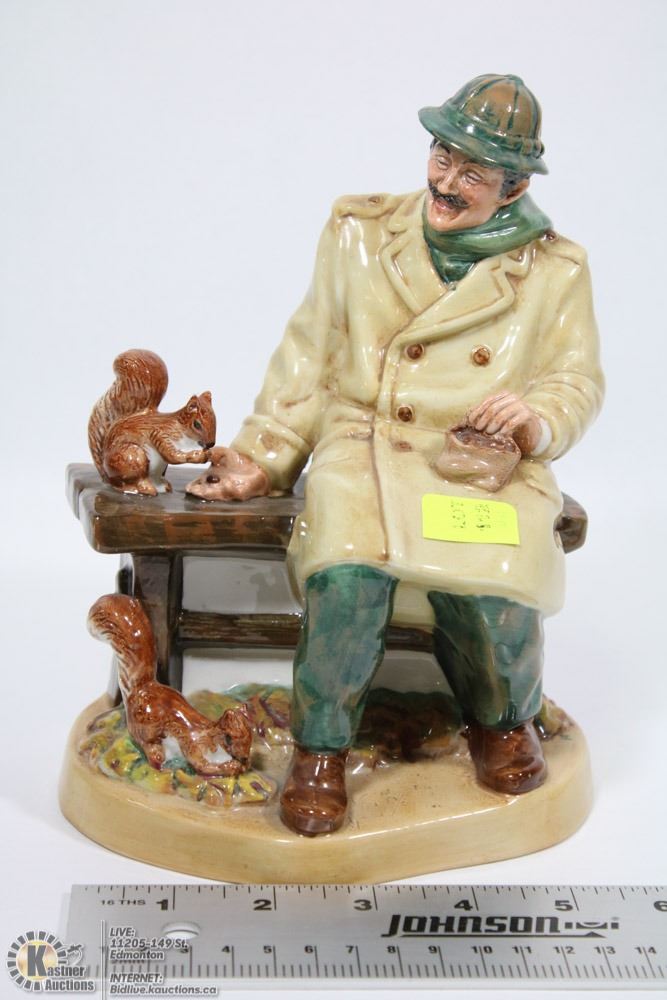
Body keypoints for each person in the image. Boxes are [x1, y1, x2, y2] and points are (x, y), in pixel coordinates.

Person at [189, 75, 604, 837]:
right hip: (366, 440)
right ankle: (320, 750)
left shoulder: (555, 269)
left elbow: (575, 380)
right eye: (442, 158)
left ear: (513, 187)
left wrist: (534, 419)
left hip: (477, 458)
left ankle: (502, 721)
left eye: (472, 174)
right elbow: (312, 351)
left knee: (495, 581)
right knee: (347, 573)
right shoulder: (359, 231)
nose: (446, 183)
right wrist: (265, 451)